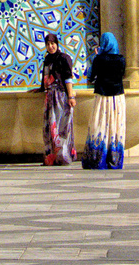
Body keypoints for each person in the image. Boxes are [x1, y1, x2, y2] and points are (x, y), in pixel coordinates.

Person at [81, 32, 126, 170]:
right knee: (115, 127)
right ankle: (115, 160)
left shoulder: (99, 59)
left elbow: (90, 76)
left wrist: (97, 56)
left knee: (99, 125)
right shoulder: (121, 59)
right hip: (117, 98)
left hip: (102, 97)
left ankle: (97, 159)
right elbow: (121, 74)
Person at [40, 32, 77, 165]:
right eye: (48, 44)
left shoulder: (63, 58)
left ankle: (64, 156)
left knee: (62, 126)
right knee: (50, 126)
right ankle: (53, 156)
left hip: (61, 97)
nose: (51, 47)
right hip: (50, 97)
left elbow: (68, 78)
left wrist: (71, 96)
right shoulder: (48, 59)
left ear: (57, 44)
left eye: (53, 44)